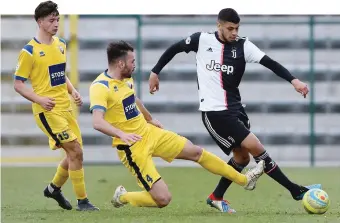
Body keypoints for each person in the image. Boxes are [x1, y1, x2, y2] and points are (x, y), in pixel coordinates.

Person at [148, 8, 321, 213]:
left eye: (237, 28)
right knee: (255, 146)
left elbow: (270, 63)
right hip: (214, 112)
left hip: (236, 109)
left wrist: (294, 80)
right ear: (219, 25)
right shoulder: (201, 40)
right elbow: (174, 48)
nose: (234, 33)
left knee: (242, 158)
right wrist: (155, 72)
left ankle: (216, 196)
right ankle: (295, 190)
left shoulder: (243, 46)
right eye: (230, 28)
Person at [89, 40, 265, 209]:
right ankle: (123, 196)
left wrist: (150, 119)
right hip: (132, 147)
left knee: (196, 152)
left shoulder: (126, 79)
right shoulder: (100, 87)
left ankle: (244, 180)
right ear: (120, 64)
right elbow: (97, 122)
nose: (135, 64)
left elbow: (133, 99)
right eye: (132, 61)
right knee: (163, 199)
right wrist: (122, 134)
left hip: (149, 133)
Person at [13, 1, 98, 211]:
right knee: (75, 151)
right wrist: (39, 99)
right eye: (51, 20)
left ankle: (53, 189)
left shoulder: (60, 44)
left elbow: (59, 74)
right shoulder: (29, 51)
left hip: (65, 108)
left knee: (74, 154)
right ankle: (83, 201)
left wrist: (73, 90)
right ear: (40, 21)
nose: (56, 23)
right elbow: (18, 84)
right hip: (47, 111)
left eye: (57, 19)